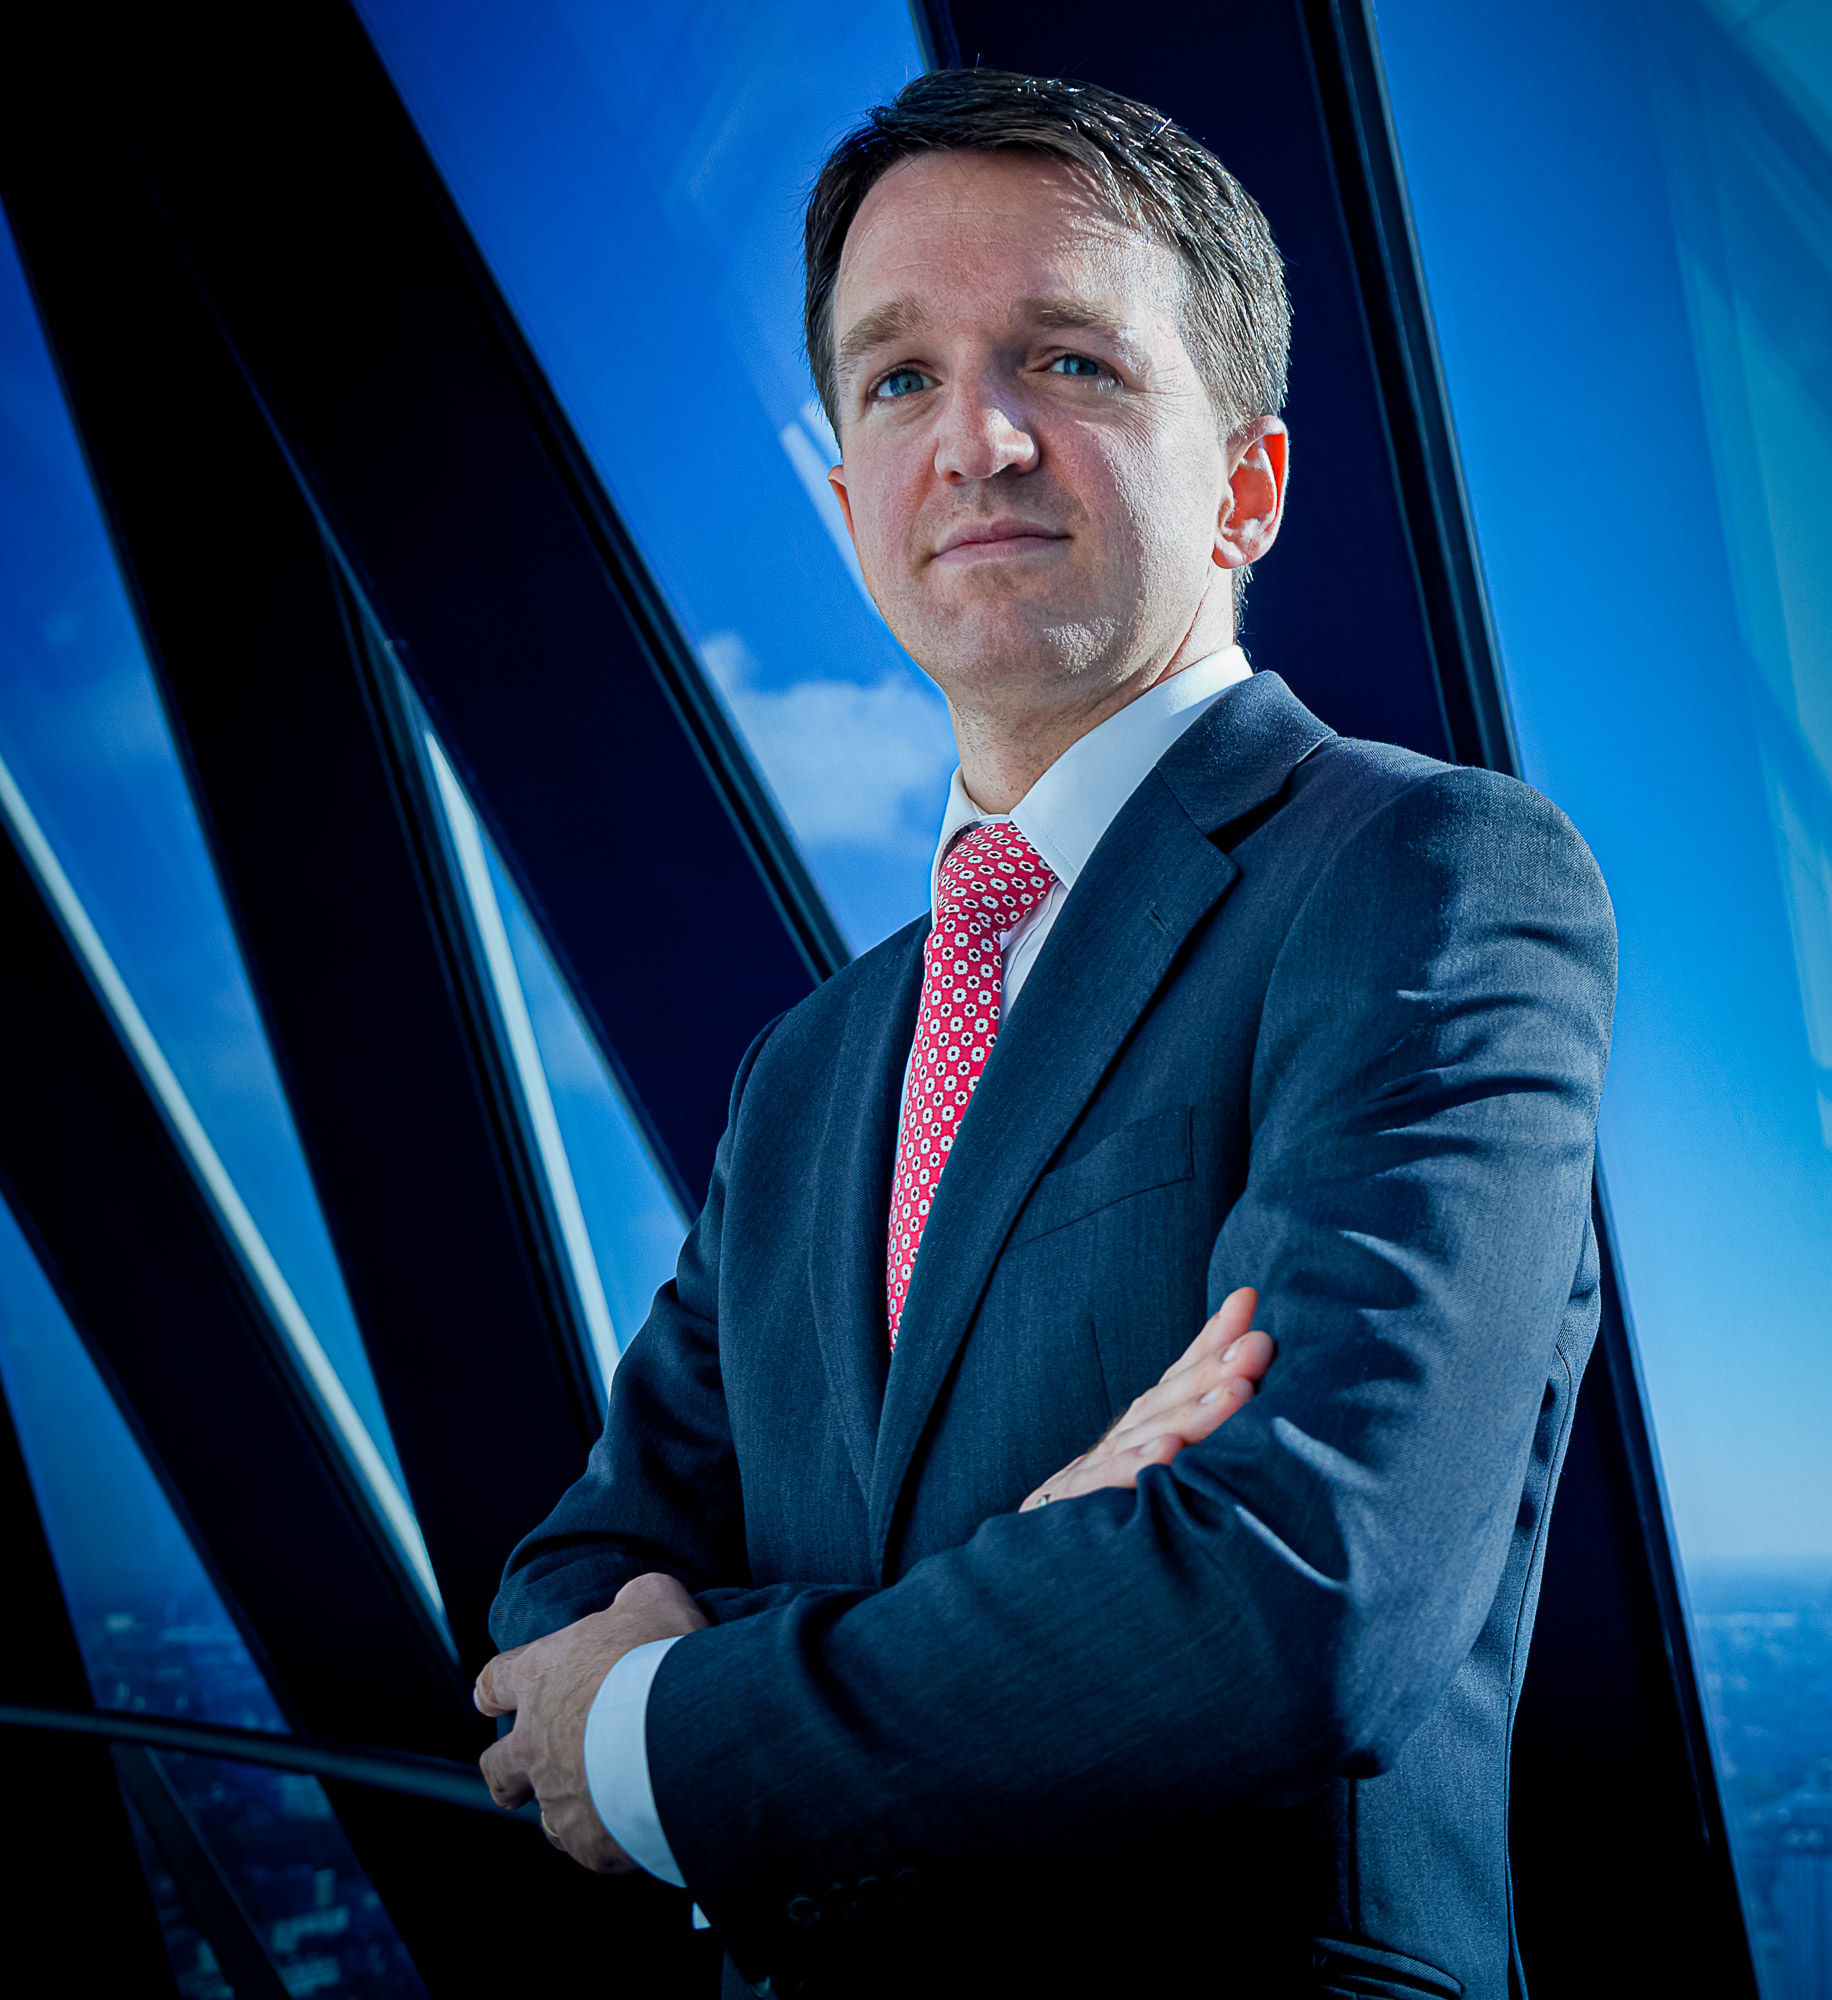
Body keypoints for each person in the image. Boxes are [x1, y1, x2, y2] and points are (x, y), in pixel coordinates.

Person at [469, 70, 1616, 1998]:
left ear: (1246, 481)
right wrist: (1037, 1563)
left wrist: (675, 1720)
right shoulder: (817, 1065)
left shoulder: (1424, 875)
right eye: (897, 379)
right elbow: (565, 1580)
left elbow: (1293, 1604)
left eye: (1069, 362)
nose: (976, 441)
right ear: (845, 501)